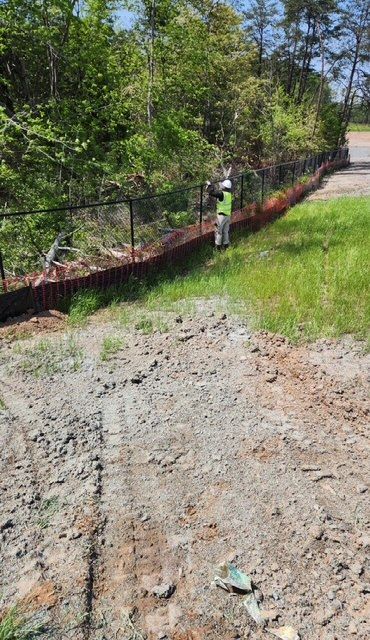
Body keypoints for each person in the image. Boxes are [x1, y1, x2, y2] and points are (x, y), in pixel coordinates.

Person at [206, 179, 233, 250]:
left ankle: (217, 247)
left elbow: (212, 193)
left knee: (219, 232)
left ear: (224, 187)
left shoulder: (222, 194)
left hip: (221, 216)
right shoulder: (229, 195)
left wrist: (209, 185)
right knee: (225, 231)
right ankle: (226, 245)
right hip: (228, 215)